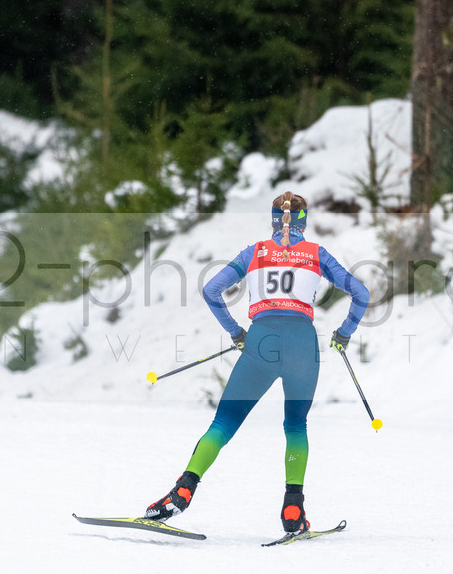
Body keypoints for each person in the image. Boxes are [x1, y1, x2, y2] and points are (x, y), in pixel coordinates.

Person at [145, 191, 370, 535]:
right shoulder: (316, 254)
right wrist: (344, 332)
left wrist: (237, 333)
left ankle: (183, 489)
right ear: (304, 221)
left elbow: (211, 291)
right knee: (295, 426)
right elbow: (362, 294)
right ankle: (293, 508)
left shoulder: (254, 253)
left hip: (261, 341)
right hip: (301, 344)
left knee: (223, 423)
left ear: (272, 219)